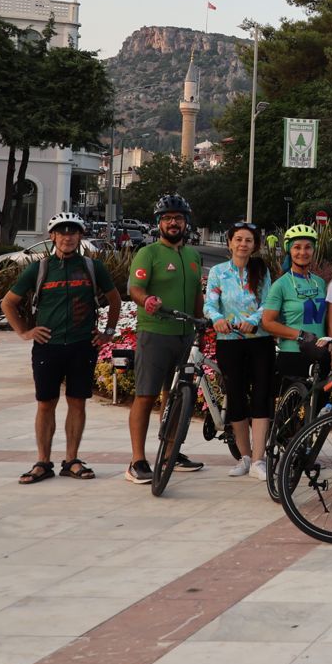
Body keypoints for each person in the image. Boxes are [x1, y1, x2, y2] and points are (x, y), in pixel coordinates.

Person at [1, 212, 119, 484]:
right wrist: (24, 331)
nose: (67, 237)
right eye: (62, 232)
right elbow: (8, 302)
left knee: (77, 403)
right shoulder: (39, 268)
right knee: (46, 404)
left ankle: (72, 460)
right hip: (48, 347)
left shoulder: (92, 267)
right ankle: (43, 462)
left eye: (73, 232)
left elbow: (114, 298)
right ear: (52, 236)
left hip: (82, 345)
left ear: (80, 236)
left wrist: (109, 333)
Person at [123, 195, 205, 484]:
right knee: (145, 396)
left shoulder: (193, 255)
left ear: (185, 222)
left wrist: (202, 323)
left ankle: (170, 453)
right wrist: (147, 300)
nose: (173, 222)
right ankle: (137, 461)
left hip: (185, 335)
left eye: (178, 218)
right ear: (159, 223)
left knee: (175, 398)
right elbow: (135, 287)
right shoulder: (149, 253)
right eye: (168, 218)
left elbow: (197, 294)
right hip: (155, 332)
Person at [203, 220, 275, 481]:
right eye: (239, 239)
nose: (243, 244)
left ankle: (259, 458)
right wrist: (216, 319)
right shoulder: (218, 272)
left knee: (261, 395)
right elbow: (210, 303)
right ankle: (245, 457)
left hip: (259, 340)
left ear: (254, 245)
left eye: (248, 240)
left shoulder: (262, 271)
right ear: (230, 242)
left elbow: (267, 302)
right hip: (229, 341)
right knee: (235, 395)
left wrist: (254, 320)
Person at [261, 224, 332, 383]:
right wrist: (300, 335)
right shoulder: (280, 285)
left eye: (308, 247)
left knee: (320, 407)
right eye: (297, 247)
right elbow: (267, 322)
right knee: (292, 407)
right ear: (289, 250)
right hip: (292, 355)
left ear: (314, 250)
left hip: (320, 354)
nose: (303, 252)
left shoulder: (320, 282)